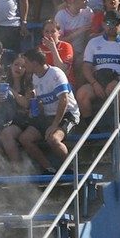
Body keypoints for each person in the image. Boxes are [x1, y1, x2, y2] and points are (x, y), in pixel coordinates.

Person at [17, 47, 79, 175]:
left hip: (68, 114)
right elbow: (42, 100)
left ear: (34, 63)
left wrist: (55, 125)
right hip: (48, 115)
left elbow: (64, 100)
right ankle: (49, 168)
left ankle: (72, 169)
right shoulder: (35, 77)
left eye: (26, 62)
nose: (24, 65)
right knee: (25, 138)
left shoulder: (56, 74)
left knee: (53, 139)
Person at [76, 10, 120, 119]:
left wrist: (117, 81)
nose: (112, 26)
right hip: (98, 80)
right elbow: (86, 67)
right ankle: (92, 130)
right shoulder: (93, 43)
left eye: (115, 23)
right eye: (109, 23)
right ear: (103, 24)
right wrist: (94, 83)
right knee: (81, 94)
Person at [0, 53, 33, 169]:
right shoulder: (2, 79)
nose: (19, 68)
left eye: (23, 66)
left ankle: (17, 169)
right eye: (16, 64)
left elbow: (26, 104)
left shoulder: (28, 82)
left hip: (20, 119)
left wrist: (12, 91)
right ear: (11, 66)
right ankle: (1, 167)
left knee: (6, 134)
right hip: (1, 118)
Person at [37, 19, 75, 84]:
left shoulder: (66, 46)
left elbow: (62, 69)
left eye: (53, 31)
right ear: (43, 33)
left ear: (59, 33)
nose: (50, 35)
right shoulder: (39, 48)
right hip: (45, 83)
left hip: (63, 82)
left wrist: (53, 48)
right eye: (47, 32)